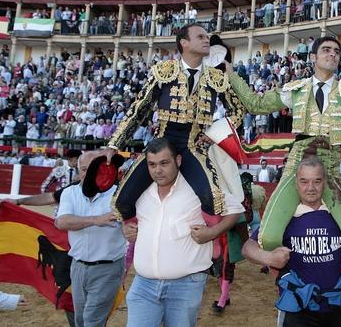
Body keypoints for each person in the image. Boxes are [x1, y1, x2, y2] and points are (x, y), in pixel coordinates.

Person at [228, 36, 341, 260]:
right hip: (299, 162)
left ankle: (333, 274)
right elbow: (256, 104)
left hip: (335, 165)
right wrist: (232, 74)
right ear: (313, 57)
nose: (332, 54)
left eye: (337, 52)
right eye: (326, 50)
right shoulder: (296, 89)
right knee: (269, 238)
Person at [102, 24, 247, 222]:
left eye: (207, 37)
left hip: (194, 147)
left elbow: (238, 110)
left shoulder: (217, 77)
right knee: (122, 202)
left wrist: (215, 132)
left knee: (213, 200)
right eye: (201, 36)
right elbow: (139, 109)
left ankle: (206, 243)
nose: (207, 40)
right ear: (184, 43)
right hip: (161, 144)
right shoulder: (164, 71)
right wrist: (115, 143)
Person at [122, 138, 243, 327]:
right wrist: (125, 227)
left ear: (178, 160)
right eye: (152, 164)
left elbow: (235, 209)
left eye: (164, 163)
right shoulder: (140, 191)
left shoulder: (198, 187)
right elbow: (126, 216)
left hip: (185, 286)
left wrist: (212, 233)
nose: (157, 170)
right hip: (143, 285)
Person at [242, 156, 341, 327]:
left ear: (325, 182)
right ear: (296, 183)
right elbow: (248, 248)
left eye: (317, 181)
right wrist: (268, 258)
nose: (310, 188)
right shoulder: (284, 216)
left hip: (336, 307)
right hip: (297, 309)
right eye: (304, 181)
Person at [55, 151, 126, 327]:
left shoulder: (118, 194)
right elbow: (61, 222)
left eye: (94, 168)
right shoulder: (70, 192)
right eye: (85, 169)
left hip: (108, 268)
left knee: (92, 320)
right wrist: (95, 220)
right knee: (81, 319)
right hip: (78, 267)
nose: (89, 173)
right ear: (79, 170)